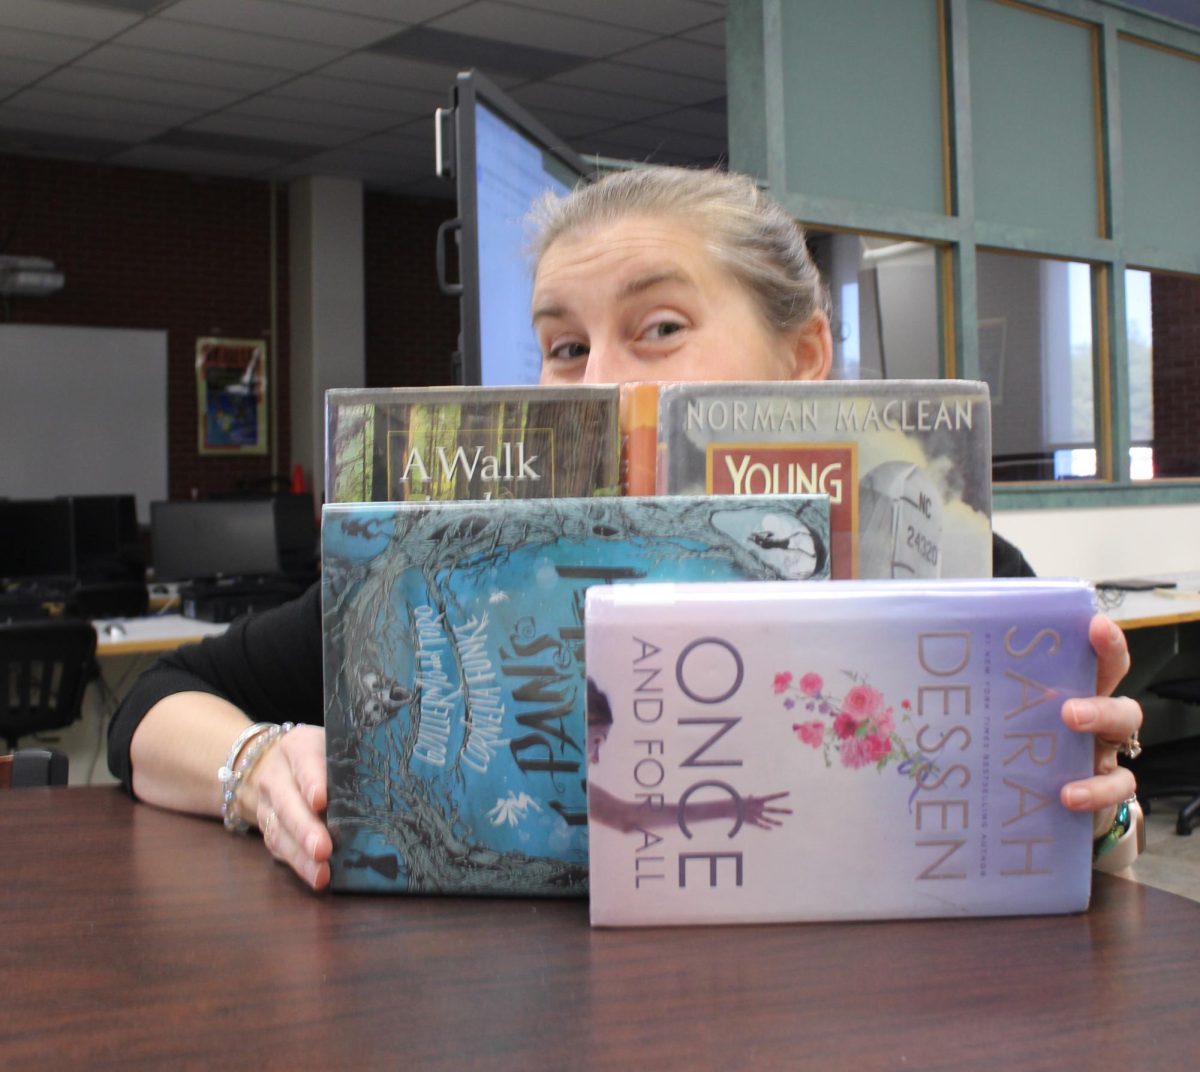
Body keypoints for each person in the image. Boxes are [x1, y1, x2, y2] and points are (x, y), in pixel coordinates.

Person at [109, 165, 1144, 891]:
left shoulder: (951, 564)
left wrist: (1099, 818)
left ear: (804, 352)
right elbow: (154, 702)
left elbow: (1076, 848)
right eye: (563, 345)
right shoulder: (472, 563)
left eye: (658, 328)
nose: (599, 380)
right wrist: (256, 767)